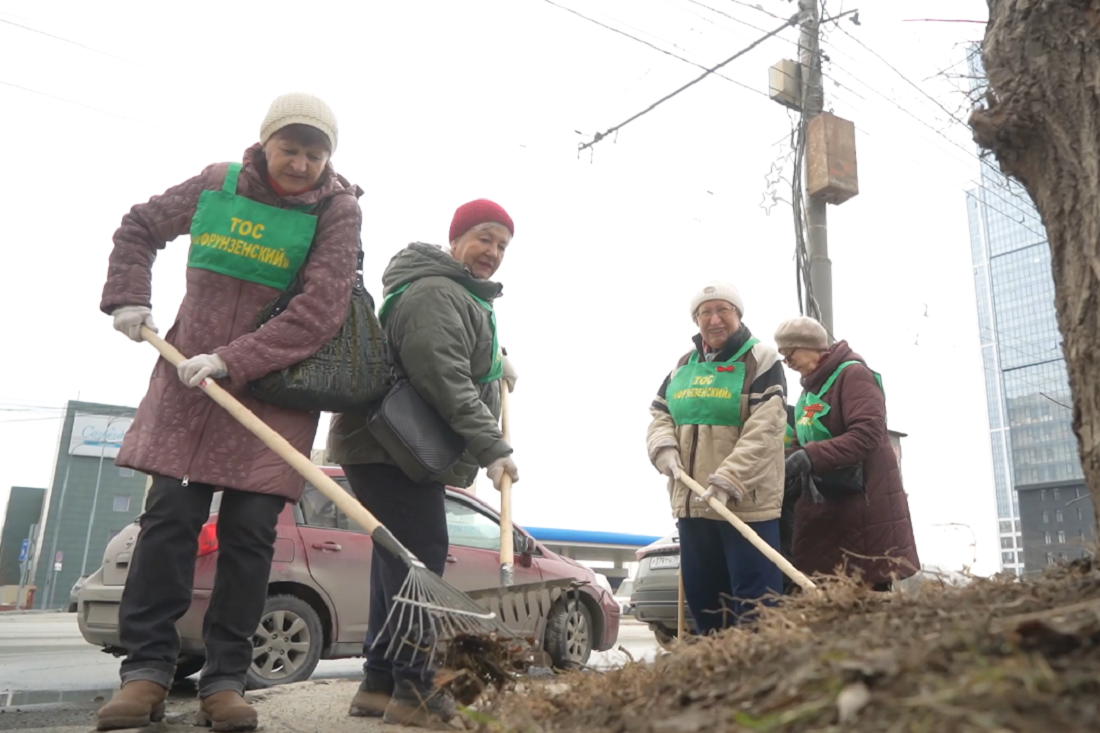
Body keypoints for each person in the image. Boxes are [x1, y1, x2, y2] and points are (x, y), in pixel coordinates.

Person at [97, 93, 362, 731]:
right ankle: (146, 675)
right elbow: (139, 226)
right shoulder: (218, 184)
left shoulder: (336, 210)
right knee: (168, 524)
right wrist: (129, 297)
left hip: (273, 397)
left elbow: (321, 311)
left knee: (248, 539)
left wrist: (232, 359)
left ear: (328, 158)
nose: (300, 162)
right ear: (264, 143)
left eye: (314, 152)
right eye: (289, 147)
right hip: (186, 388)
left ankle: (223, 682)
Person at [327, 199, 518, 728]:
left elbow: (454, 361)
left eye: (502, 245)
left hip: (386, 449)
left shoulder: (449, 293)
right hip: (392, 449)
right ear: (456, 239)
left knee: (396, 562)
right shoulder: (437, 292)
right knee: (420, 559)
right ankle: (415, 688)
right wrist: (494, 447)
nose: (493, 252)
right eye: (483, 238)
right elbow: (443, 377)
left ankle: (380, 684)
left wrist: (496, 359)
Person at [646, 282, 788, 635]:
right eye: (705, 312)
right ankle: (718, 678)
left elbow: (766, 428)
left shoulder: (761, 359)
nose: (714, 319)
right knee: (706, 601)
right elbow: (660, 415)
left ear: (738, 315)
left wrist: (730, 479)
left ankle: (762, 675)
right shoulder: (684, 366)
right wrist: (663, 446)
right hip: (693, 502)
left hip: (744, 504)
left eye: (723, 309)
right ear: (696, 320)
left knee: (756, 607)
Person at [775, 316, 920, 591]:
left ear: (811, 346)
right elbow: (805, 440)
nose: (787, 361)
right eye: (782, 356)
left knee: (865, 605)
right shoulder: (808, 390)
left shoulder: (853, 375)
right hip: (830, 511)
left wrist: (810, 456)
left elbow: (866, 434)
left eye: (789, 352)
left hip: (862, 510)